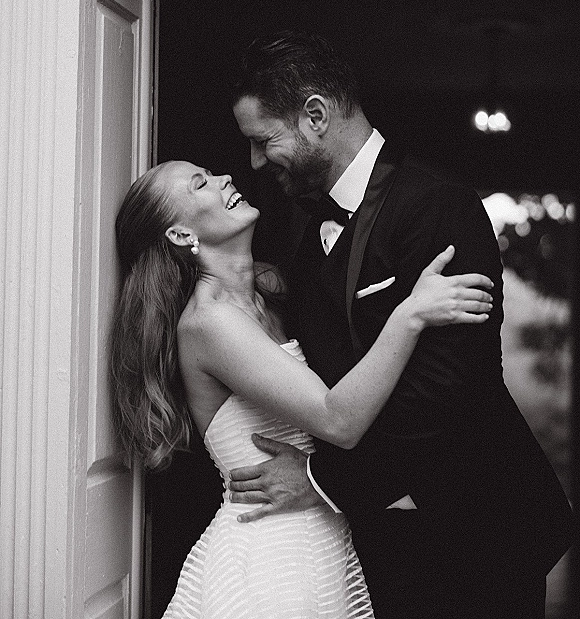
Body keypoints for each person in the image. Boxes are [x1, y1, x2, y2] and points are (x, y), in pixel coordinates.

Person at [230, 31, 575, 619]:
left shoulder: (438, 206)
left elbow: (450, 385)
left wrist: (318, 479)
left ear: (315, 116)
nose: (255, 162)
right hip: (378, 539)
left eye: (264, 140)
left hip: (479, 532)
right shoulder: (304, 222)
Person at [111, 160, 496, 619]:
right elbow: (338, 420)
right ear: (180, 235)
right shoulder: (210, 323)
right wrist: (411, 315)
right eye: (201, 184)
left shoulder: (269, 292)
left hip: (318, 541)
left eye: (211, 173)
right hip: (271, 561)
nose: (224, 179)